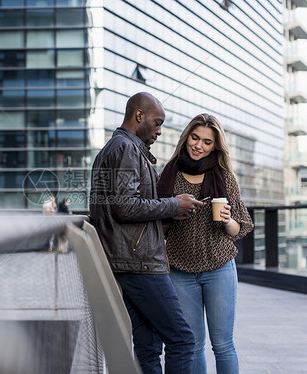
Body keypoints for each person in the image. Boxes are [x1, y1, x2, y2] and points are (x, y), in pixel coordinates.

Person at [89, 92, 203, 373]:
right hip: (139, 263)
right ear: (139, 115)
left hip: (128, 259)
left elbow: (124, 205)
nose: (160, 131)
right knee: (183, 340)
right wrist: (174, 203)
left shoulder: (116, 147)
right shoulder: (125, 149)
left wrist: (169, 210)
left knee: (148, 345)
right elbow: (126, 207)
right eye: (157, 122)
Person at [156, 113, 254, 374]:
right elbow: (157, 225)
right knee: (194, 345)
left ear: (215, 146)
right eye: (195, 137)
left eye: (207, 142)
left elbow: (242, 226)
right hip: (179, 270)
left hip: (219, 269)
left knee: (222, 345)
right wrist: (171, 213)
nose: (198, 145)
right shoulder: (168, 176)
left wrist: (227, 220)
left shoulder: (225, 177)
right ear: (186, 136)